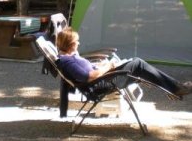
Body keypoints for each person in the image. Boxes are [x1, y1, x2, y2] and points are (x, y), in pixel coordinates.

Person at [56, 27, 192, 97]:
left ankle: (174, 87)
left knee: (138, 65)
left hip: (103, 78)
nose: (79, 43)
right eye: (76, 41)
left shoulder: (71, 55)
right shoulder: (67, 61)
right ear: (70, 44)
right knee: (138, 64)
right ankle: (176, 88)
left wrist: (101, 65)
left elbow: (89, 71)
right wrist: (108, 66)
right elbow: (88, 77)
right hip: (100, 85)